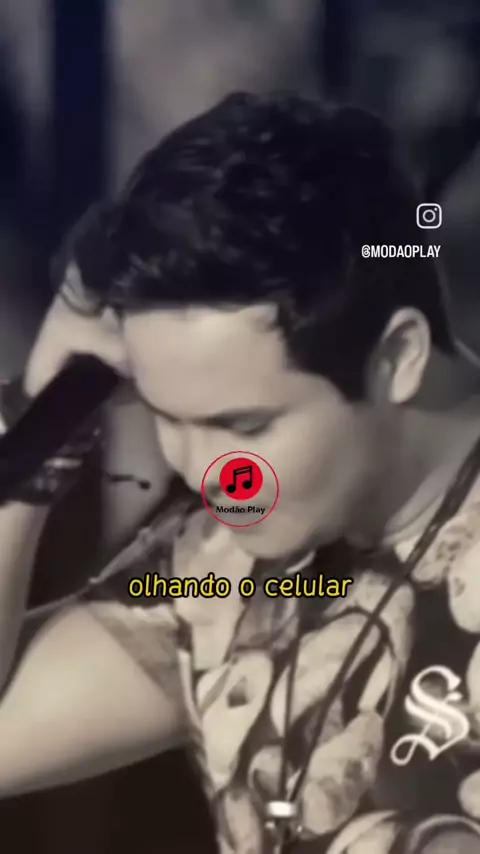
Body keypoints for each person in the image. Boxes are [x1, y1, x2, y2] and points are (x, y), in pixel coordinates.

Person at [1, 92, 480, 854]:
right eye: (164, 416)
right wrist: (40, 422)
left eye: (242, 427)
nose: (204, 475)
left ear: (397, 358)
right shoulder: (218, 570)